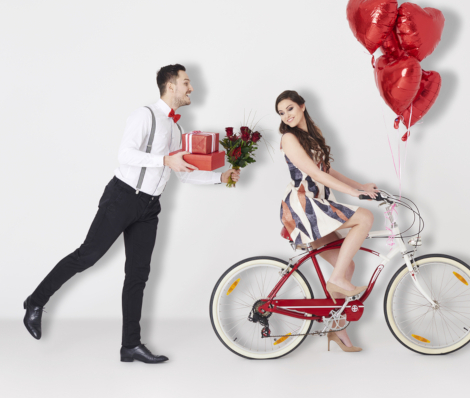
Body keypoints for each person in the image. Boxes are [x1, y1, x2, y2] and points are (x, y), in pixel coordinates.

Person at [23, 64, 240, 363]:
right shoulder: (144, 115)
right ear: (170, 85)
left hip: (149, 207)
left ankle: (130, 345)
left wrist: (221, 177)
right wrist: (164, 160)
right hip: (123, 197)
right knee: (87, 256)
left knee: (138, 274)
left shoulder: (176, 128)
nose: (191, 88)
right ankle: (35, 302)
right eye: (186, 82)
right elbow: (125, 154)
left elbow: (184, 173)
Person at [276, 90, 378, 352]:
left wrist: (360, 186)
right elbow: (314, 174)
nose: (286, 116)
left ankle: (337, 328)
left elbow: (326, 170)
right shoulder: (288, 138)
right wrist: (353, 193)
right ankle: (337, 280)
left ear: (302, 106)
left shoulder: (311, 134)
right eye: (281, 112)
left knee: (348, 265)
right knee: (365, 217)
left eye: (290, 108)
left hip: (315, 204)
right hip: (303, 206)